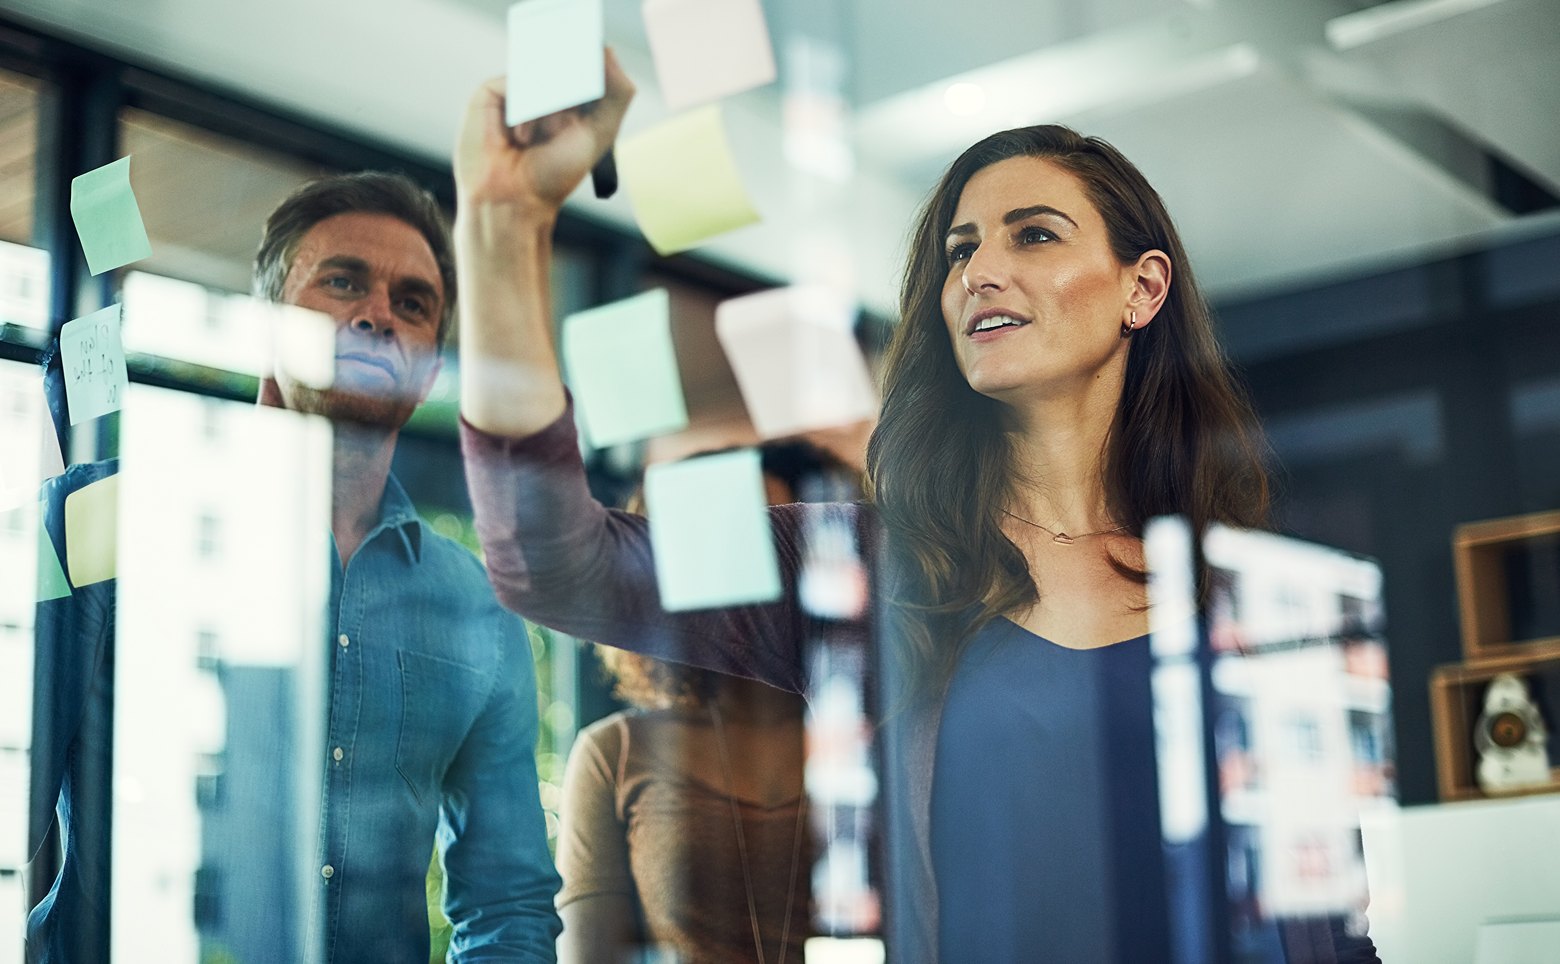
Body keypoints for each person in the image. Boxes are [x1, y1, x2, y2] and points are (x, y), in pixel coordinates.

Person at [452, 58, 1377, 964]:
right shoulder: (861, 568)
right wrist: (503, 222)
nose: (981, 272)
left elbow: (1326, 925)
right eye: (961, 250)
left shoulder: (1239, 593)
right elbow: (555, 563)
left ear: (1142, 288)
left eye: (1036, 235)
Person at [26, 171, 562, 963]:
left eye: (412, 303)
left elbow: (508, 904)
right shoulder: (98, 518)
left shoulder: (480, 607)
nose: (378, 315)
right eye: (342, 282)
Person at [557, 442, 855, 964]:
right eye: (736, 540)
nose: (763, 570)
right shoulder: (616, 754)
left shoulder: (869, 738)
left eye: (783, 539)